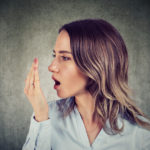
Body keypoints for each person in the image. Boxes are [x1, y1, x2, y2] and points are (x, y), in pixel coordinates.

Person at [22, 19, 150, 150]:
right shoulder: (47, 117)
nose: (51, 67)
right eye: (54, 55)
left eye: (65, 57)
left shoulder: (141, 133)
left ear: (96, 64)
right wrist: (42, 118)